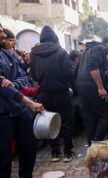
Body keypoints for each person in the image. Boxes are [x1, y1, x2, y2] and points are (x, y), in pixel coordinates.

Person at [0, 24, 47, 178]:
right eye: (0, 32)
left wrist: (13, 84)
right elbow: (3, 89)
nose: (3, 34)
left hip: (18, 110)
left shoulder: (8, 54)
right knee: (3, 155)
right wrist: (29, 102)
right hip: (3, 113)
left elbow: (22, 77)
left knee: (28, 145)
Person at [30, 26, 75, 162]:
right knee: (66, 121)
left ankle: (55, 153)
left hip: (44, 93)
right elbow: (68, 74)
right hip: (61, 92)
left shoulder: (33, 53)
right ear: (54, 37)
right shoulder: (61, 51)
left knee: (49, 121)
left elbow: (34, 75)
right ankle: (68, 152)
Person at [76, 39, 108, 146]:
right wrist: (100, 87)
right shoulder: (101, 48)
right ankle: (96, 145)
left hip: (81, 85)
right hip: (92, 86)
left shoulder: (86, 51)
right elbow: (92, 65)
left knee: (90, 119)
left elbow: (77, 71)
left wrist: (106, 76)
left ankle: (91, 147)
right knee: (105, 117)